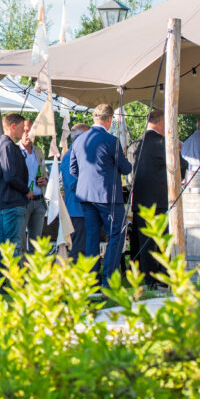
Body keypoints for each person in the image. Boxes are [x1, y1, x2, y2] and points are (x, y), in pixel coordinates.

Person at [70, 103, 133, 287]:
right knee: (116, 235)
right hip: (108, 197)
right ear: (109, 119)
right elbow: (126, 167)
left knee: (92, 237)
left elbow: (73, 169)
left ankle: (91, 281)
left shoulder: (79, 140)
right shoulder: (111, 140)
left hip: (86, 197)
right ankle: (108, 280)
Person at [127, 110, 187, 286]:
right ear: (161, 123)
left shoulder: (133, 145)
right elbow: (182, 166)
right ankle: (161, 279)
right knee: (161, 242)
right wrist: (178, 148)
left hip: (138, 201)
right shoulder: (163, 143)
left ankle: (146, 279)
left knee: (143, 242)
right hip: (159, 201)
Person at [0, 113, 32, 276]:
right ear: (13, 126)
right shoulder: (7, 146)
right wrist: (26, 190)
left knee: (2, 244)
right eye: (22, 128)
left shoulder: (3, 145)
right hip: (13, 201)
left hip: (8, 202)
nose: (23, 132)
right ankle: (17, 282)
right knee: (14, 244)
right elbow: (10, 176)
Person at [60, 123, 91, 259]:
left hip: (81, 209)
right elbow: (72, 183)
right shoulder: (71, 155)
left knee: (84, 247)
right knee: (79, 248)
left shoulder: (77, 154)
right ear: (79, 137)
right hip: (77, 209)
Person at [20, 119, 49, 253]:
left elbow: (44, 171)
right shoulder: (15, 150)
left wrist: (45, 179)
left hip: (39, 200)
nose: (28, 134)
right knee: (20, 238)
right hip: (23, 200)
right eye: (25, 130)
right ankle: (20, 270)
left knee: (36, 242)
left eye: (31, 131)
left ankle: (35, 271)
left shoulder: (38, 151)